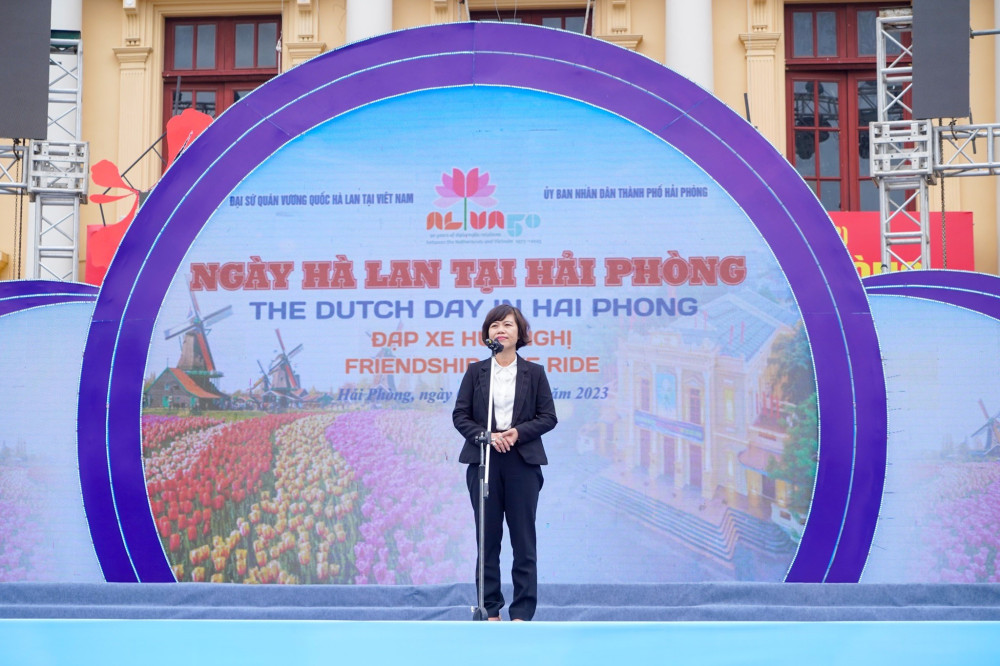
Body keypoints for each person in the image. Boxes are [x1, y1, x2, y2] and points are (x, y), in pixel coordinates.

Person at [452, 304, 557, 621]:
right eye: (495, 325)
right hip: (484, 461)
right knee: (488, 540)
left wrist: (517, 433)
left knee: (523, 540)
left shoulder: (534, 373)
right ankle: (490, 609)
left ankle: (522, 611)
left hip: (521, 462)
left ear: (520, 333)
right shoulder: (476, 372)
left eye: (508, 324)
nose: (501, 329)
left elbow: (548, 417)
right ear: (487, 334)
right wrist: (485, 436)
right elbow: (460, 415)